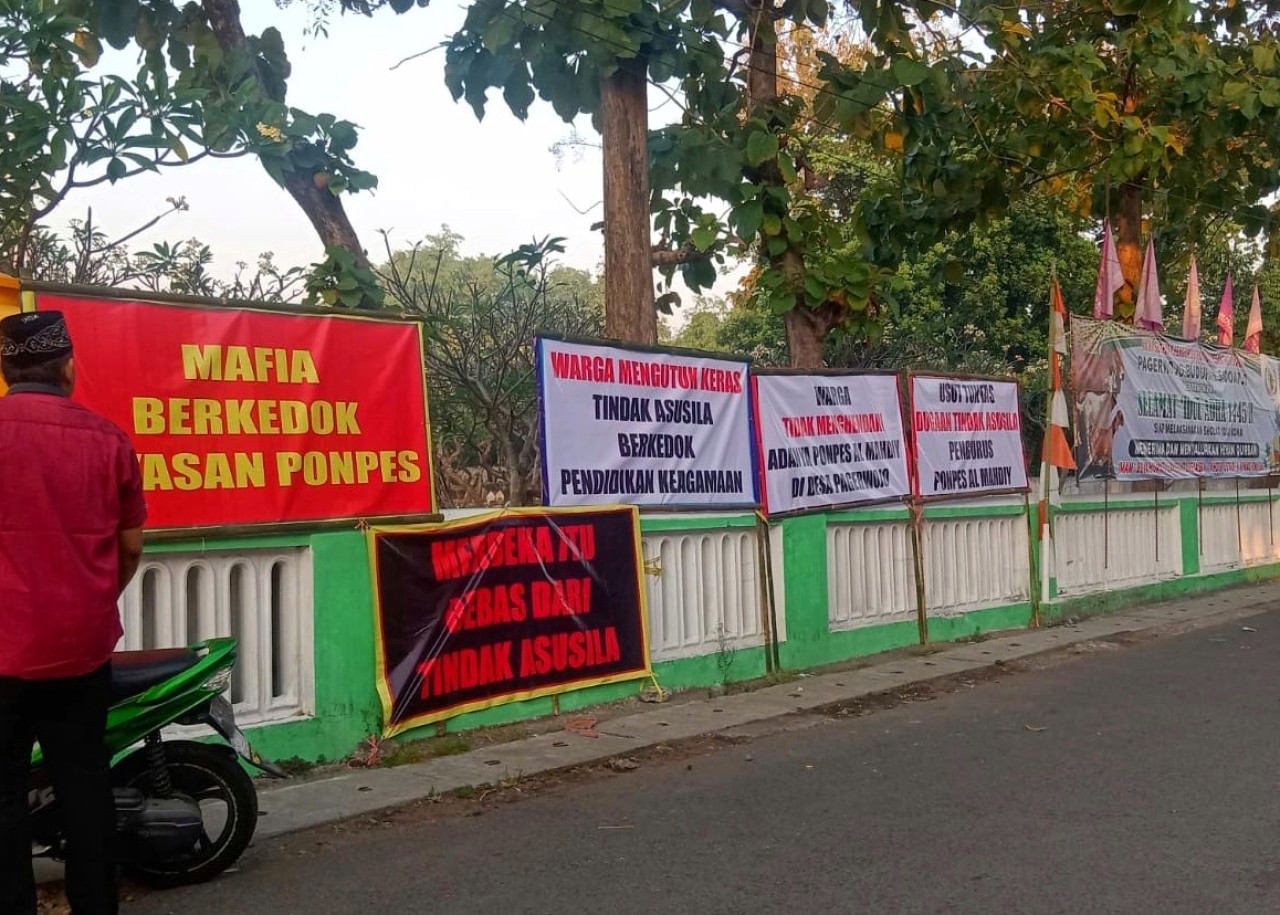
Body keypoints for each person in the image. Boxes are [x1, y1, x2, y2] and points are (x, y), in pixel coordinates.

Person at [0, 311, 147, 915]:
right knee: (86, 787)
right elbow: (131, 547)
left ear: (7, 371)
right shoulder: (108, 439)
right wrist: (97, 596)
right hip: (81, 650)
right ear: (67, 368)